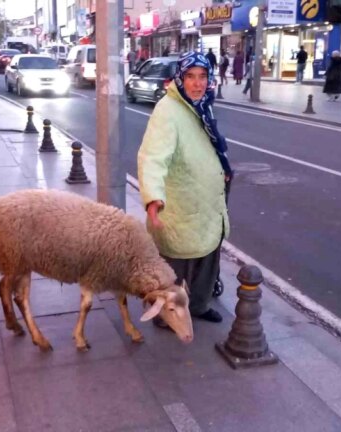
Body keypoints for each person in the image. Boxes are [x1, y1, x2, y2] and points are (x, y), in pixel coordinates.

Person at [138, 51, 231, 325]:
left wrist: (222, 170)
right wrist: (153, 199)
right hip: (180, 206)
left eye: (202, 76)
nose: (197, 83)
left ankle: (199, 305)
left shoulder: (202, 105)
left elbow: (209, 145)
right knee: (175, 268)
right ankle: (165, 316)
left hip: (206, 204)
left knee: (207, 260)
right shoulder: (168, 110)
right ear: (180, 78)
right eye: (190, 76)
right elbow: (152, 157)